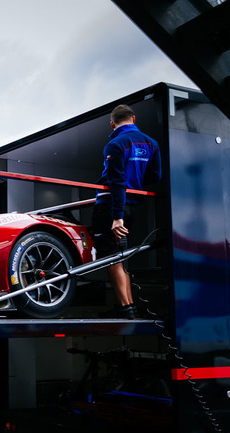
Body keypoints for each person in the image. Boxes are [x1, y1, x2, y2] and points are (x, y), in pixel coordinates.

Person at [92, 104, 161, 319]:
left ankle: (124, 308)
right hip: (133, 206)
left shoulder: (115, 143)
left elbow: (117, 182)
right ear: (134, 118)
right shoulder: (152, 144)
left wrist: (116, 217)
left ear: (112, 123)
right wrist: (136, 184)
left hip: (110, 208)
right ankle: (129, 306)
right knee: (120, 257)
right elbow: (154, 177)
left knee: (110, 258)